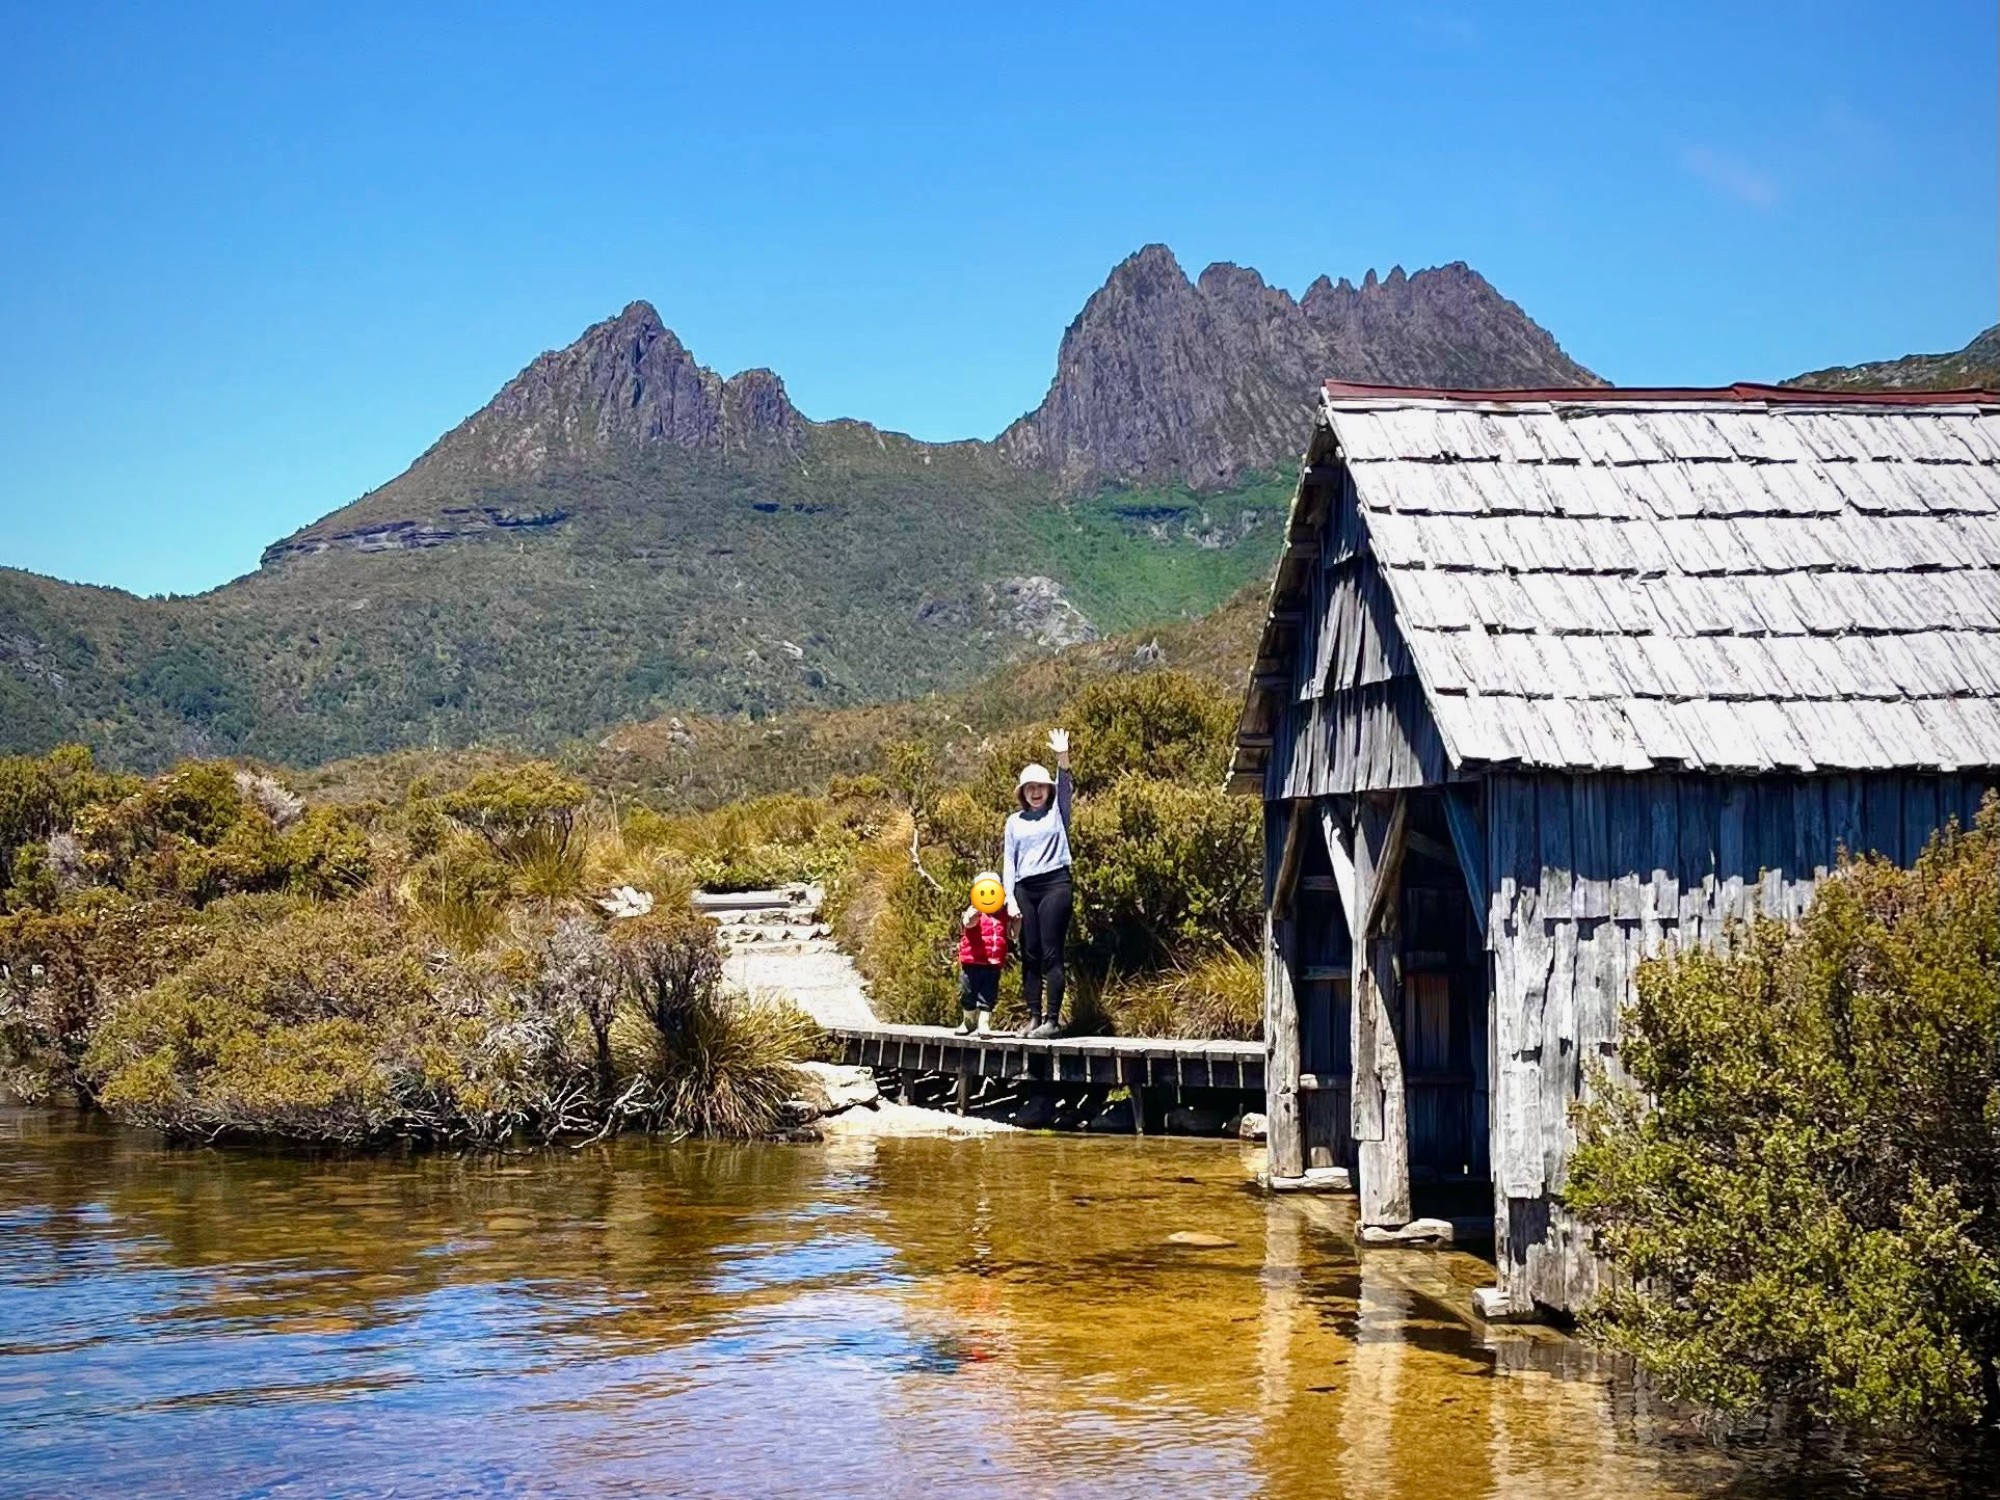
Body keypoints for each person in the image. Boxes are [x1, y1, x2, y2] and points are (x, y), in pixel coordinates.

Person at [1003, 728, 1073, 1038]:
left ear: (1048, 789)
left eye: (1041, 787)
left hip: (1055, 884)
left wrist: (1062, 756)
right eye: (1029, 787)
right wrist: (1010, 898)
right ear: (1022, 792)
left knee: (1050, 951)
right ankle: (1034, 1017)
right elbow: (1009, 860)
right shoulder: (1014, 821)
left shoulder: (1058, 812)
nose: (1035, 792)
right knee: (1028, 952)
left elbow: (1067, 785)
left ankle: (1052, 1020)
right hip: (1024, 888)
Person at [956, 872, 1008, 1036]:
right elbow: (969, 923)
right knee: (968, 992)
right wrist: (975, 913)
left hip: (992, 963)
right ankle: (968, 1021)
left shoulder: (1003, 915)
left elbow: (1013, 934)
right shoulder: (973, 912)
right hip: (972, 961)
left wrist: (1017, 920)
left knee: (988, 994)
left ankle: (984, 1023)